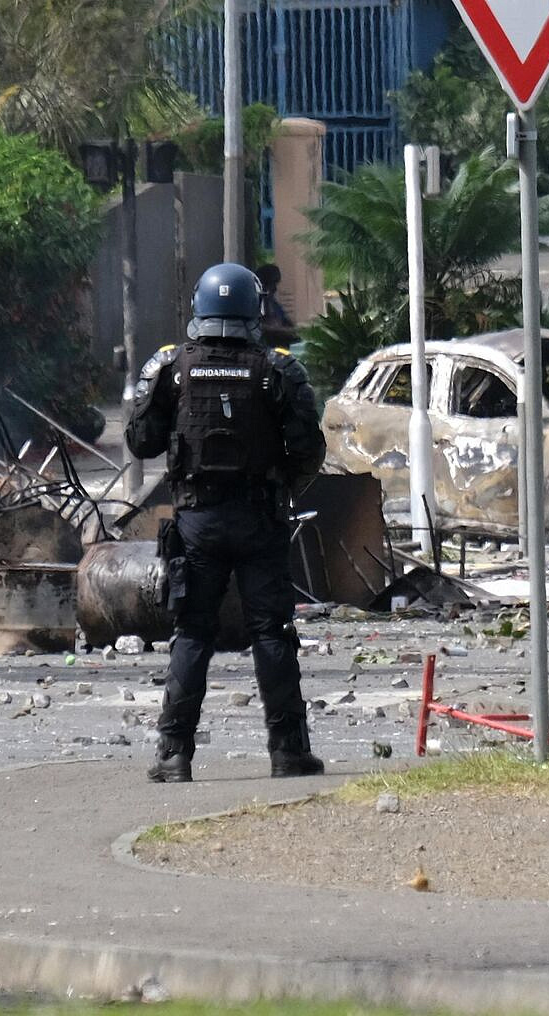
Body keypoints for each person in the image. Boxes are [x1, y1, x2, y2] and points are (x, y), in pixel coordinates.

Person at [125, 262, 328, 783]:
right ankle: (288, 752)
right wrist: (283, 489)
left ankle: (174, 754)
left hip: (197, 521)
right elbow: (309, 448)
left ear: (198, 306)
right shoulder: (277, 368)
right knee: (272, 634)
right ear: (254, 308)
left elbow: (141, 441)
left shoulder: (172, 367)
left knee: (192, 634)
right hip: (260, 519)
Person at [252, 263, 298, 350]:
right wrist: (278, 330)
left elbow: (286, 322)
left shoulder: (272, 303)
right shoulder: (255, 302)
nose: (275, 288)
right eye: (272, 284)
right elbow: (255, 326)